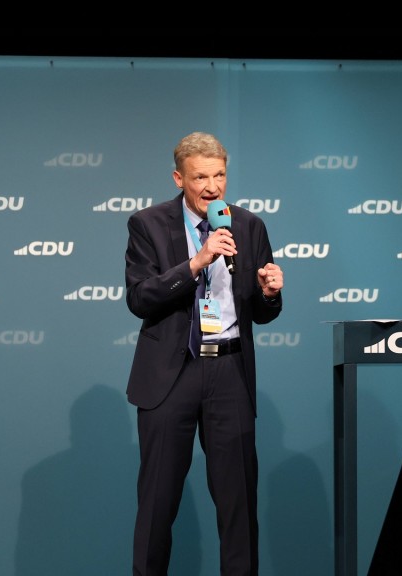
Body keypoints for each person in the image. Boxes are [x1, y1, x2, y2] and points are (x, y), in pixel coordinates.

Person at [124, 131, 283, 575]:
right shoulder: (147, 224)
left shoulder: (249, 225)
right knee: (157, 503)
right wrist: (196, 263)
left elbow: (263, 312)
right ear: (179, 178)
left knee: (238, 505)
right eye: (200, 177)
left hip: (229, 371)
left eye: (219, 175)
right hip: (170, 375)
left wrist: (269, 293)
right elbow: (140, 297)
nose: (212, 187)